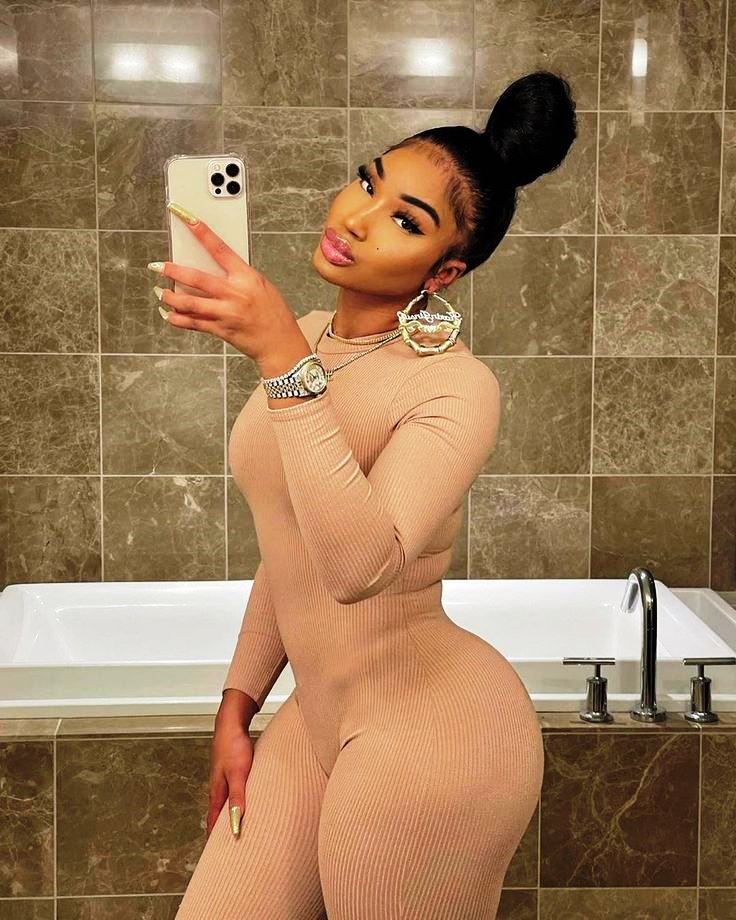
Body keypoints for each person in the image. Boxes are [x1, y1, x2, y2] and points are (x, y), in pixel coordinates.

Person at [175, 69, 577, 919]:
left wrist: (281, 361)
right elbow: (289, 541)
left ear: (445, 271)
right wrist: (236, 705)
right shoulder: (309, 339)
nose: (357, 218)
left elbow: (358, 566)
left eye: (405, 220)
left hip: (435, 734)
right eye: (367, 181)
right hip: (317, 718)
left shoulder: (455, 387)